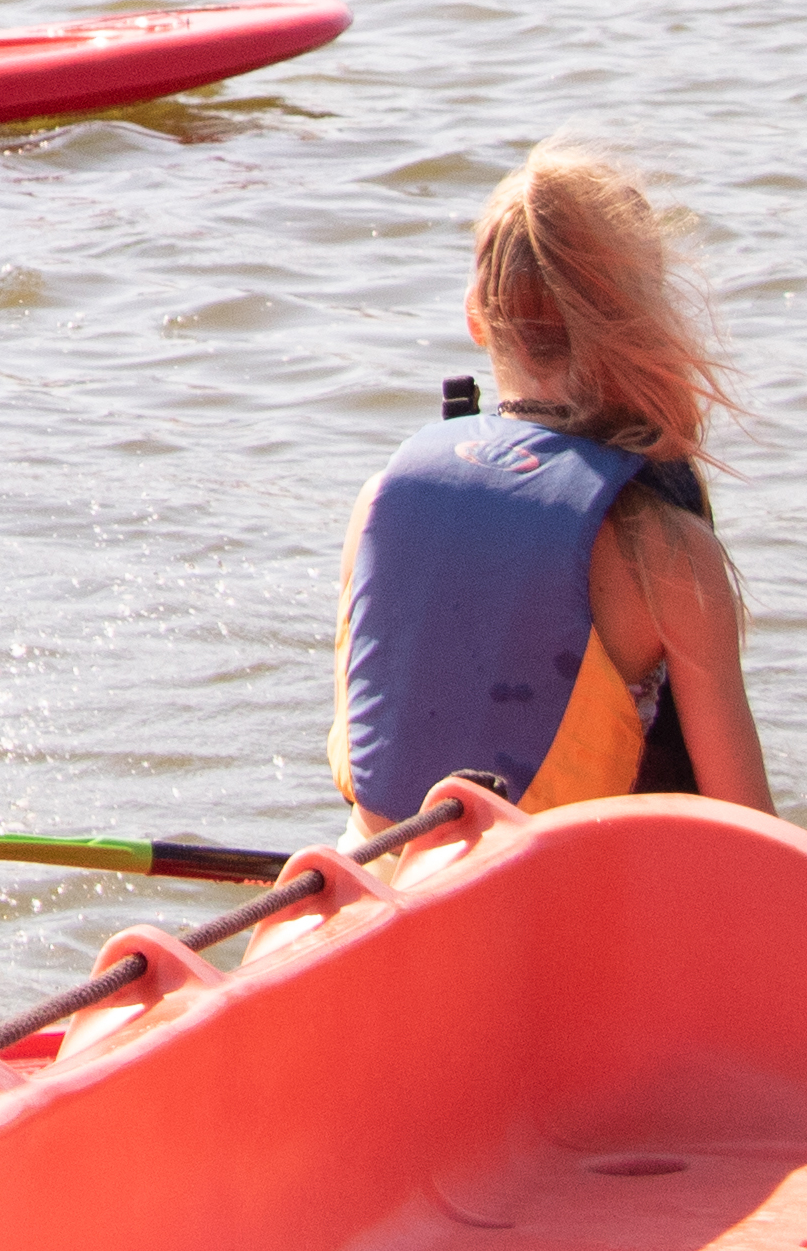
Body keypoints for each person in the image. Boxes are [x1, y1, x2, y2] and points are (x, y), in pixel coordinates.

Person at [328, 149, 769, 822]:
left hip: (379, 868)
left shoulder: (377, 503)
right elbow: (749, 833)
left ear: (475, 317)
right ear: (641, 323)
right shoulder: (669, 555)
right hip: (558, 877)